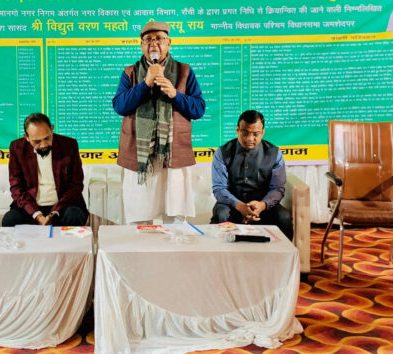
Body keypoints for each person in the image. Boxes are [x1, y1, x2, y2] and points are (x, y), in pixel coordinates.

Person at [113, 21, 205, 224]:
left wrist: (175, 94)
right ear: (141, 45)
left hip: (173, 154)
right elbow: (120, 106)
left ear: (169, 43)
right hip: (140, 155)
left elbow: (198, 109)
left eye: (159, 39)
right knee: (139, 217)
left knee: (175, 217)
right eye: (148, 39)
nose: (154, 43)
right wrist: (145, 83)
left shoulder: (184, 71)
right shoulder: (130, 72)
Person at [211, 110, 293, 240]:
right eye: (245, 133)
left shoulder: (274, 153)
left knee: (284, 217)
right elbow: (219, 189)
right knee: (220, 214)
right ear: (237, 130)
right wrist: (240, 206)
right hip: (232, 205)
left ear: (262, 132)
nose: (250, 139)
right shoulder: (222, 153)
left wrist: (262, 205)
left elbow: (278, 188)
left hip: (262, 206)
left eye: (255, 134)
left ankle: (283, 253)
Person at [2, 113, 88, 227]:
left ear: (51, 129)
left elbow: (76, 185)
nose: (43, 145)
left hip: (63, 206)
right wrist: (37, 215)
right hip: (31, 208)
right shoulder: (17, 148)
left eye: (47, 138)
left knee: (74, 215)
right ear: (26, 137)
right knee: (10, 219)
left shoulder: (69, 145)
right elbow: (16, 188)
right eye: (37, 142)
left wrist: (54, 212)